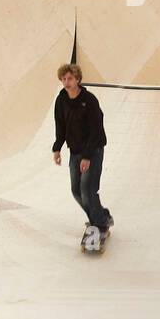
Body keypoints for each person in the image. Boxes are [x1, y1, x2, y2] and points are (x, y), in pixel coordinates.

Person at [52, 63, 113, 242]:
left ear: (78, 79)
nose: (66, 82)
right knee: (76, 190)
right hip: (75, 151)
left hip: (93, 150)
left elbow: (96, 130)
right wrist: (57, 147)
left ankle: (99, 226)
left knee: (87, 189)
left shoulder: (90, 100)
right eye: (63, 79)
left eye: (70, 78)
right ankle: (101, 217)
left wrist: (87, 156)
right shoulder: (61, 100)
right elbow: (60, 126)